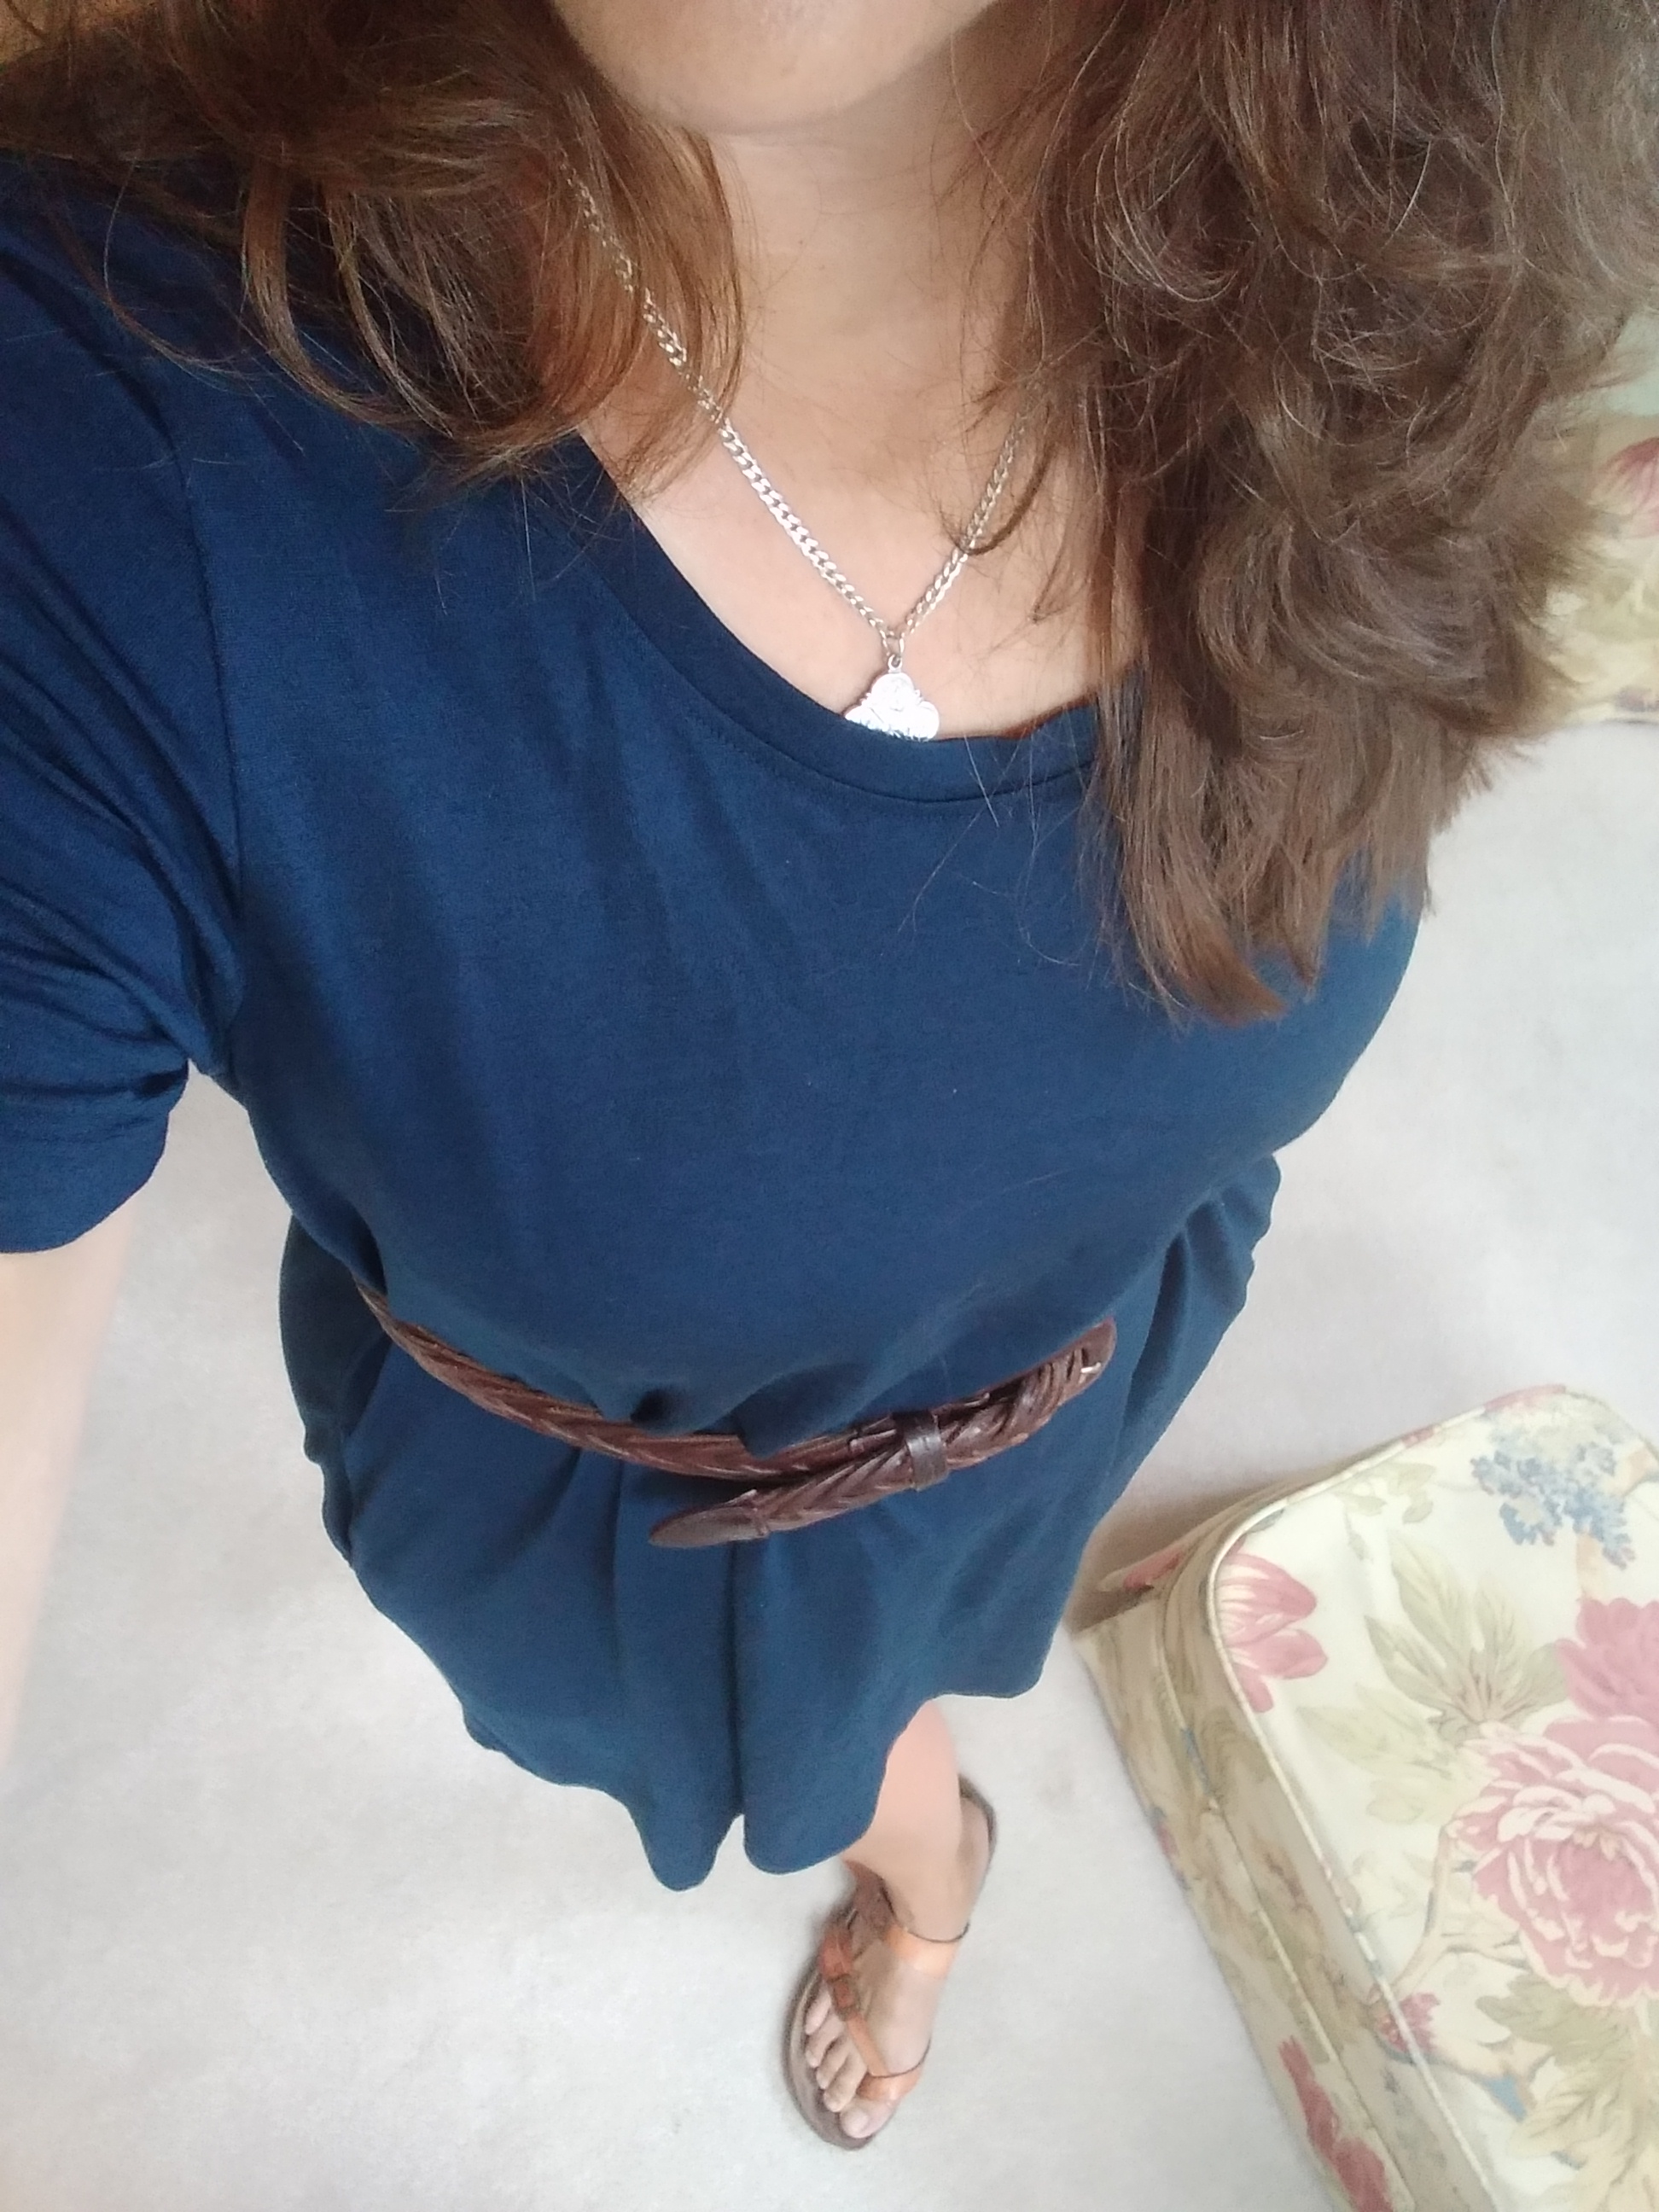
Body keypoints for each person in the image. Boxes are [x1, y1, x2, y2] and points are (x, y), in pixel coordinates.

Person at [1, 0, 1655, 2155]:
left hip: (1066, 1379)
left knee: (919, 1658)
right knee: (820, 1748)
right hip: (622, 1537)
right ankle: (925, 1859)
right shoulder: (113, 435)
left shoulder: (1431, 217)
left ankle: (920, 1829)